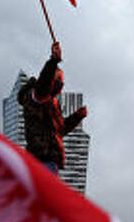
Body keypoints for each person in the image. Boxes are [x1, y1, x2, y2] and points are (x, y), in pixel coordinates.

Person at [18, 42, 88, 175]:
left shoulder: (52, 104)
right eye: (59, 80)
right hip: (41, 160)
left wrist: (77, 116)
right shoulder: (38, 96)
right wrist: (53, 61)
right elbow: (44, 82)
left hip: (49, 161)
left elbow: (60, 129)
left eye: (63, 82)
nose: (62, 84)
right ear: (52, 81)